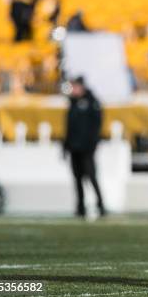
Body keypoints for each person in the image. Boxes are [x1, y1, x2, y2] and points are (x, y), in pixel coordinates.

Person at [64, 77, 106, 218]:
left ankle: (100, 204)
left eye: (75, 86)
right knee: (77, 179)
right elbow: (69, 127)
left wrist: (92, 144)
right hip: (75, 148)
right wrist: (66, 146)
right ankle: (80, 206)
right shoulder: (73, 103)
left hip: (87, 148)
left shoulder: (92, 102)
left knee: (91, 176)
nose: (73, 90)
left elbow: (96, 126)